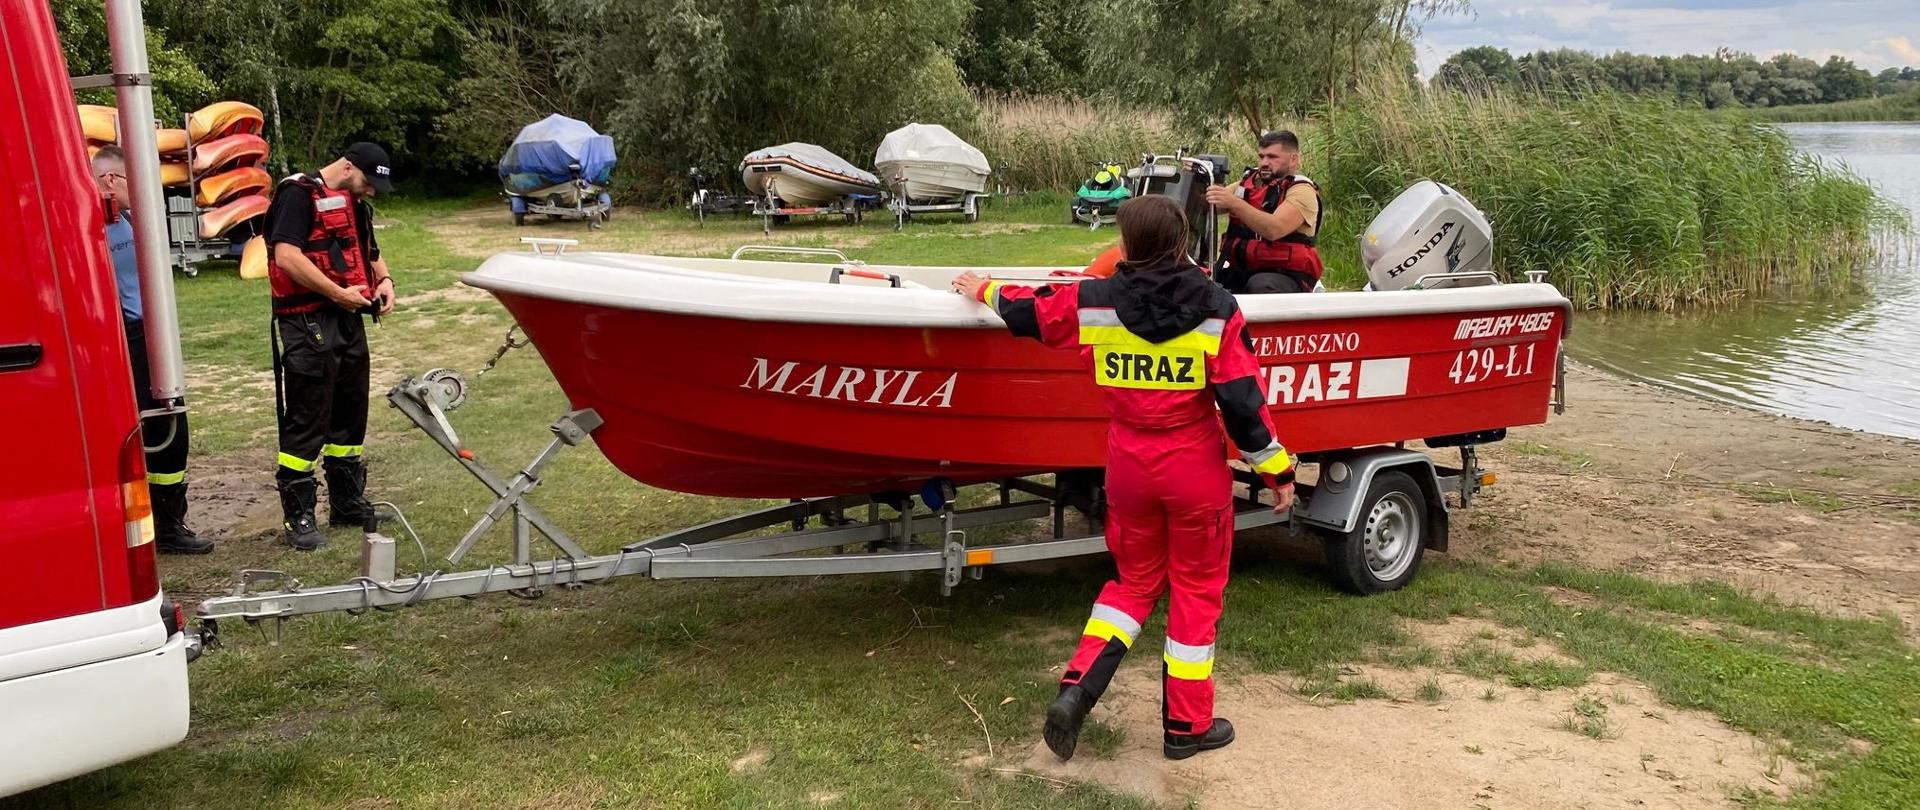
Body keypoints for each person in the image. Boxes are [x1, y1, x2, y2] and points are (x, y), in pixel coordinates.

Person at [951, 195, 1297, 761]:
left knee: (1132, 586)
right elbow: (1242, 404)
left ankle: (1075, 691)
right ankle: (1186, 728)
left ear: (1128, 244)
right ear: (1182, 241)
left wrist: (984, 288)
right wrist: (1278, 471)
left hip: (1129, 464)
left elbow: (1033, 310)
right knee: (1194, 594)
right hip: (1193, 470)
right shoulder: (1218, 307)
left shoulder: (1097, 300)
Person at [265, 142, 398, 551]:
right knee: (308, 417)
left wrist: (386, 281)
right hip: (307, 322)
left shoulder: (353, 203)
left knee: (350, 411)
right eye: (367, 182)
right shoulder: (296, 195)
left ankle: (345, 501)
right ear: (346, 166)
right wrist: (337, 294)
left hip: (349, 317)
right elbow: (287, 256)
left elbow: (368, 250)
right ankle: (299, 515)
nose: (370, 191)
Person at [92, 146, 212, 555]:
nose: (142, 192)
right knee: (150, 426)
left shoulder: (123, 219)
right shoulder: (86, 224)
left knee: (170, 422)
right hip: (127, 340)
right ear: (110, 180)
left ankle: (167, 521)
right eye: (133, 182)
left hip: (153, 334)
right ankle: (144, 524)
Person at [1205, 130, 1323, 294]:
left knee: (1260, 285)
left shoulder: (1302, 191)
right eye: (1261, 157)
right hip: (1244, 269)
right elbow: (1211, 203)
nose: (1264, 163)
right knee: (1200, 284)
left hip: (1286, 274)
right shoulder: (1250, 182)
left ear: (1293, 159)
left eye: (1272, 157)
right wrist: (1195, 181)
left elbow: (1274, 229)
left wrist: (1234, 203)